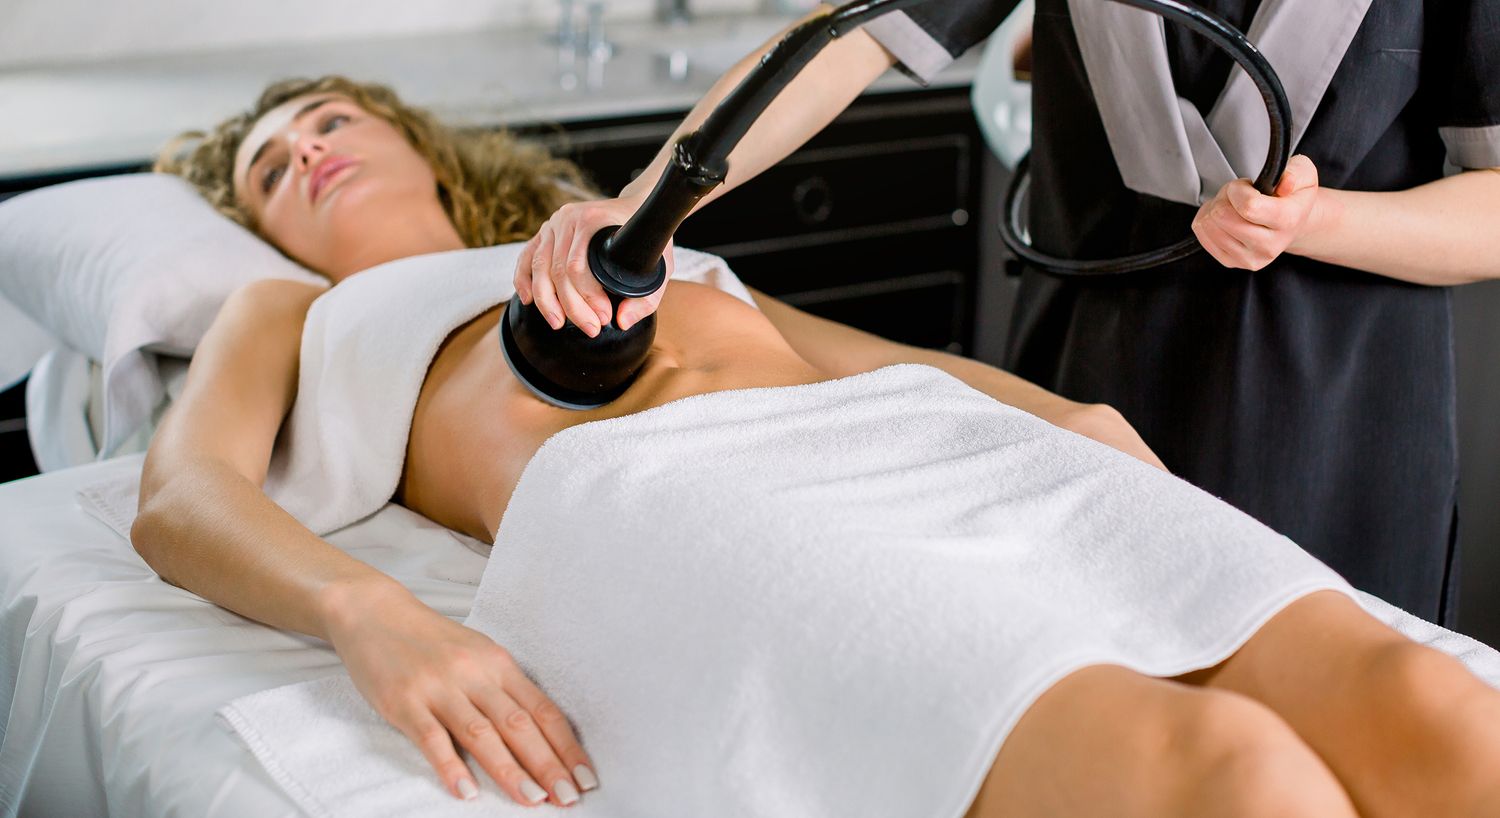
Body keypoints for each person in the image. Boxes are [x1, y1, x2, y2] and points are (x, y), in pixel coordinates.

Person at [135, 75, 1500, 816]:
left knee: (1428, 703)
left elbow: (877, 363)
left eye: (326, 120)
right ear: (263, 231)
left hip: (910, 445)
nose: (305, 151)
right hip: (676, 500)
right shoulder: (295, 311)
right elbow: (178, 498)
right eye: (267, 168)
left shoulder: (627, 239)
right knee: (1228, 773)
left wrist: (1063, 422)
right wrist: (374, 616)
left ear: (413, 143)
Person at [515, 1, 1500, 629]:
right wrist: (648, 207)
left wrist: (1317, 220)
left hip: (1346, 432)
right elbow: (848, 33)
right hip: (1083, 396)